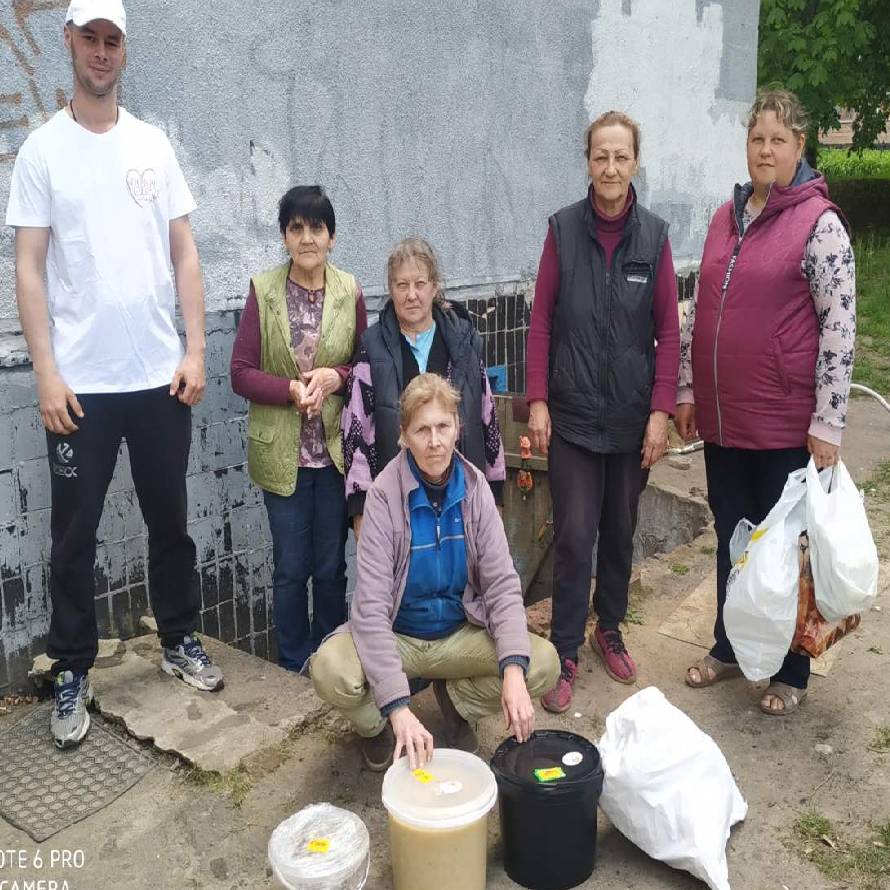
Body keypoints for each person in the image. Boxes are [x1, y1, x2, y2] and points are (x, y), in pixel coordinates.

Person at [6, 0, 222, 749]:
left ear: (124, 49)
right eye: (89, 38)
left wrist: (194, 351)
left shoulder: (152, 146)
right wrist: (45, 372)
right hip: (81, 388)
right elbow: (28, 268)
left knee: (172, 524)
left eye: (112, 40)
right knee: (73, 536)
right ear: (68, 42)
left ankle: (180, 641)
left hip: (159, 379)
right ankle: (71, 670)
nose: (101, 52)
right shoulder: (42, 151)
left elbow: (184, 252)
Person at [676, 88, 855, 716]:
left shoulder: (820, 224)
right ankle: (729, 647)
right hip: (726, 421)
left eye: (779, 140)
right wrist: (689, 388)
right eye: (757, 139)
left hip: (784, 423)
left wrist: (828, 420)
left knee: (785, 550)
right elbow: (699, 308)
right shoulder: (726, 218)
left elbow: (840, 326)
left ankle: (791, 670)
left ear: (799, 147)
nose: (766, 150)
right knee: (733, 539)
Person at [312, 374, 559, 771]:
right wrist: (397, 707)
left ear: (458, 428)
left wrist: (512, 671)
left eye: (443, 426)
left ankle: (457, 703)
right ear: (404, 436)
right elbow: (371, 610)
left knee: (541, 663)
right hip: (400, 636)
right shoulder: (382, 496)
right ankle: (379, 726)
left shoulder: (476, 489)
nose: (435, 441)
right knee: (330, 670)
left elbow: (501, 587)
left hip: (458, 635)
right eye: (422, 429)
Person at [526, 111, 681, 713]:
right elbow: (540, 321)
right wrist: (538, 399)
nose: (610, 168)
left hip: (631, 419)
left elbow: (668, 331)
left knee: (619, 529)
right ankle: (565, 649)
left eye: (621, 156)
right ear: (587, 162)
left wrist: (660, 411)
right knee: (573, 536)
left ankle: (608, 628)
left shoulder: (655, 237)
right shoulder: (563, 231)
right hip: (572, 418)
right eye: (600, 156)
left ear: (635, 162)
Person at [230, 185, 367, 673]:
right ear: (285, 237)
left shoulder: (349, 290)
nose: (307, 237)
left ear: (331, 237)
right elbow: (240, 371)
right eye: (296, 228)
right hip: (282, 455)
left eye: (316, 228)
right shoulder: (263, 290)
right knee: (291, 569)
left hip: (333, 456)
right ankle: (291, 664)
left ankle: (331, 662)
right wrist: (290, 389)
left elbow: (364, 365)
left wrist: (337, 377)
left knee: (331, 568)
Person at [341, 237, 505, 540]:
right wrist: (360, 507)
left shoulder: (464, 342)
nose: (412, 295)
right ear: (391, 289)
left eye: (420, 283)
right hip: (397, 505)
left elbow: (488, 417)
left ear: (434, 286)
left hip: (462, 499)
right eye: (402, 285)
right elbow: (355, 428)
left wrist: (494, 492)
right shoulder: (372, 346)